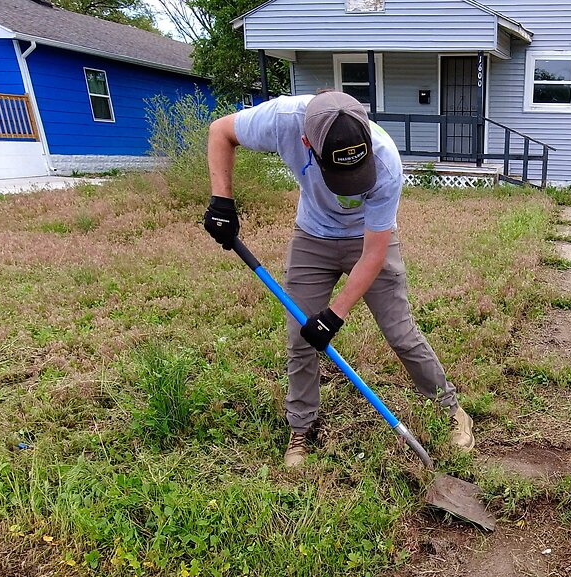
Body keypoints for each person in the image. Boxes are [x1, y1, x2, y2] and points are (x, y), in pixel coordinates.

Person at [202, 91, 474, 468]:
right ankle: (302, 427)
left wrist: (335, 315)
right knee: (300, 337)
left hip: (368, 236)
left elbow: (374, 253)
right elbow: (220, 132)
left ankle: (451, 411)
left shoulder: (386, 158)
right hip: (313, 235)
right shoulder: (282, 119)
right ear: (306, 143)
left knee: (401, 333)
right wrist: (222, 202)